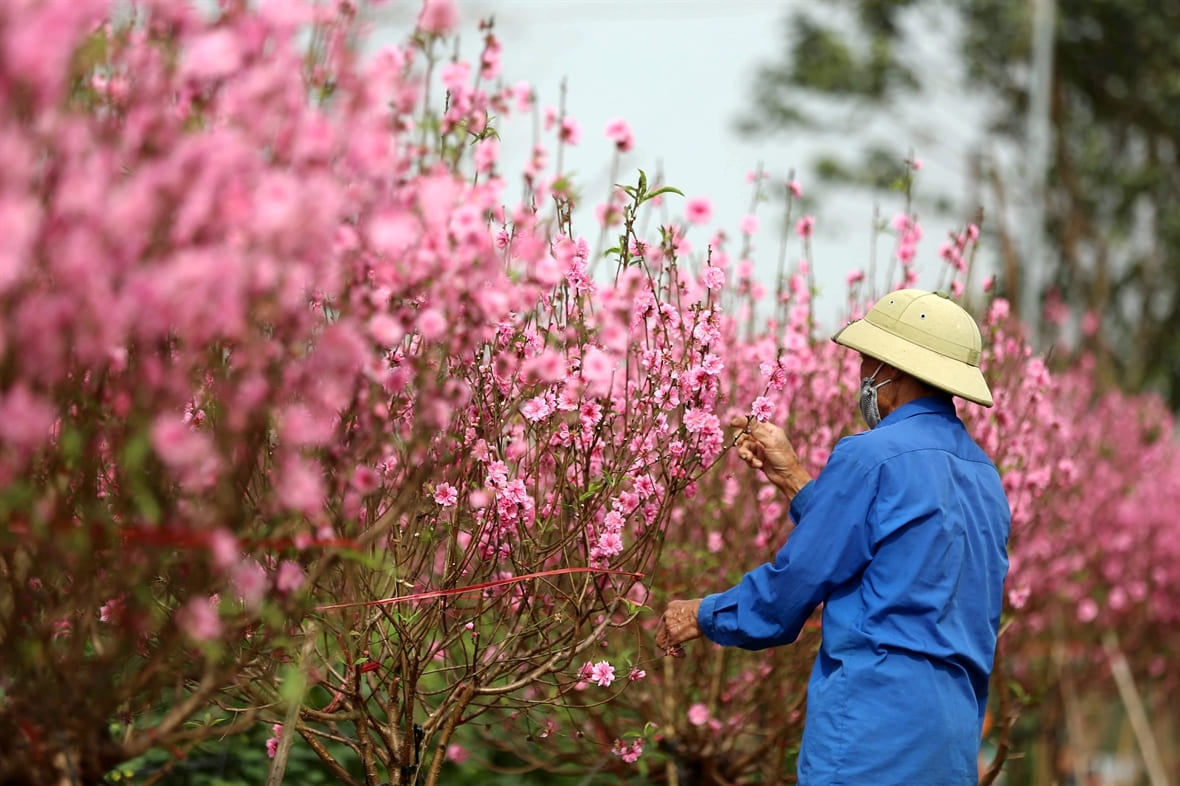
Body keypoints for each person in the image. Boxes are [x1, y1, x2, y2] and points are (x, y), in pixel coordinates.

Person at [656, 289, 1011, 786]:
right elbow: (891, 551)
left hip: (872, 733)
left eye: (867, 360)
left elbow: (791, 590)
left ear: (894, 369)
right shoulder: (984, 476)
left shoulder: (871, 456)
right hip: (951, 742)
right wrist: (793, 479)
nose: (861, 374)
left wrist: (703, 614)